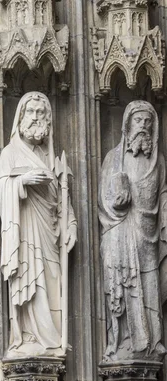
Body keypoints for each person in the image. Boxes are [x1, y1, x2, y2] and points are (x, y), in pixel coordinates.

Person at [0, 91, 76, 358]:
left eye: (41, 113)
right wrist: (21, 182)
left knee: (52, 282)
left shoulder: (52, 158)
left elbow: (62, 200)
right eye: (30, 112)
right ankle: (27, 335)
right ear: (20, 117)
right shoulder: (10, 153)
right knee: (29, 281)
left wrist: (72, 224)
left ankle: (52, 340)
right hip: (24, 231)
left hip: (49, 235)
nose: (35, 118)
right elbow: (2, 189)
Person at [99, 100, 167, 362]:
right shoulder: (113, 160)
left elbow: (162, 193)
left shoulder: (158, 161)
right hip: (122, 233)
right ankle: (125, 339)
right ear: (127, 125)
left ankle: (153, 338)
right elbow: (103, 201)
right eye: (138, 121)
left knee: (151, 285)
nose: (143, 126)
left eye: (148, 122)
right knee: (125, 286)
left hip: (148, 236)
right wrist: (116, 205)